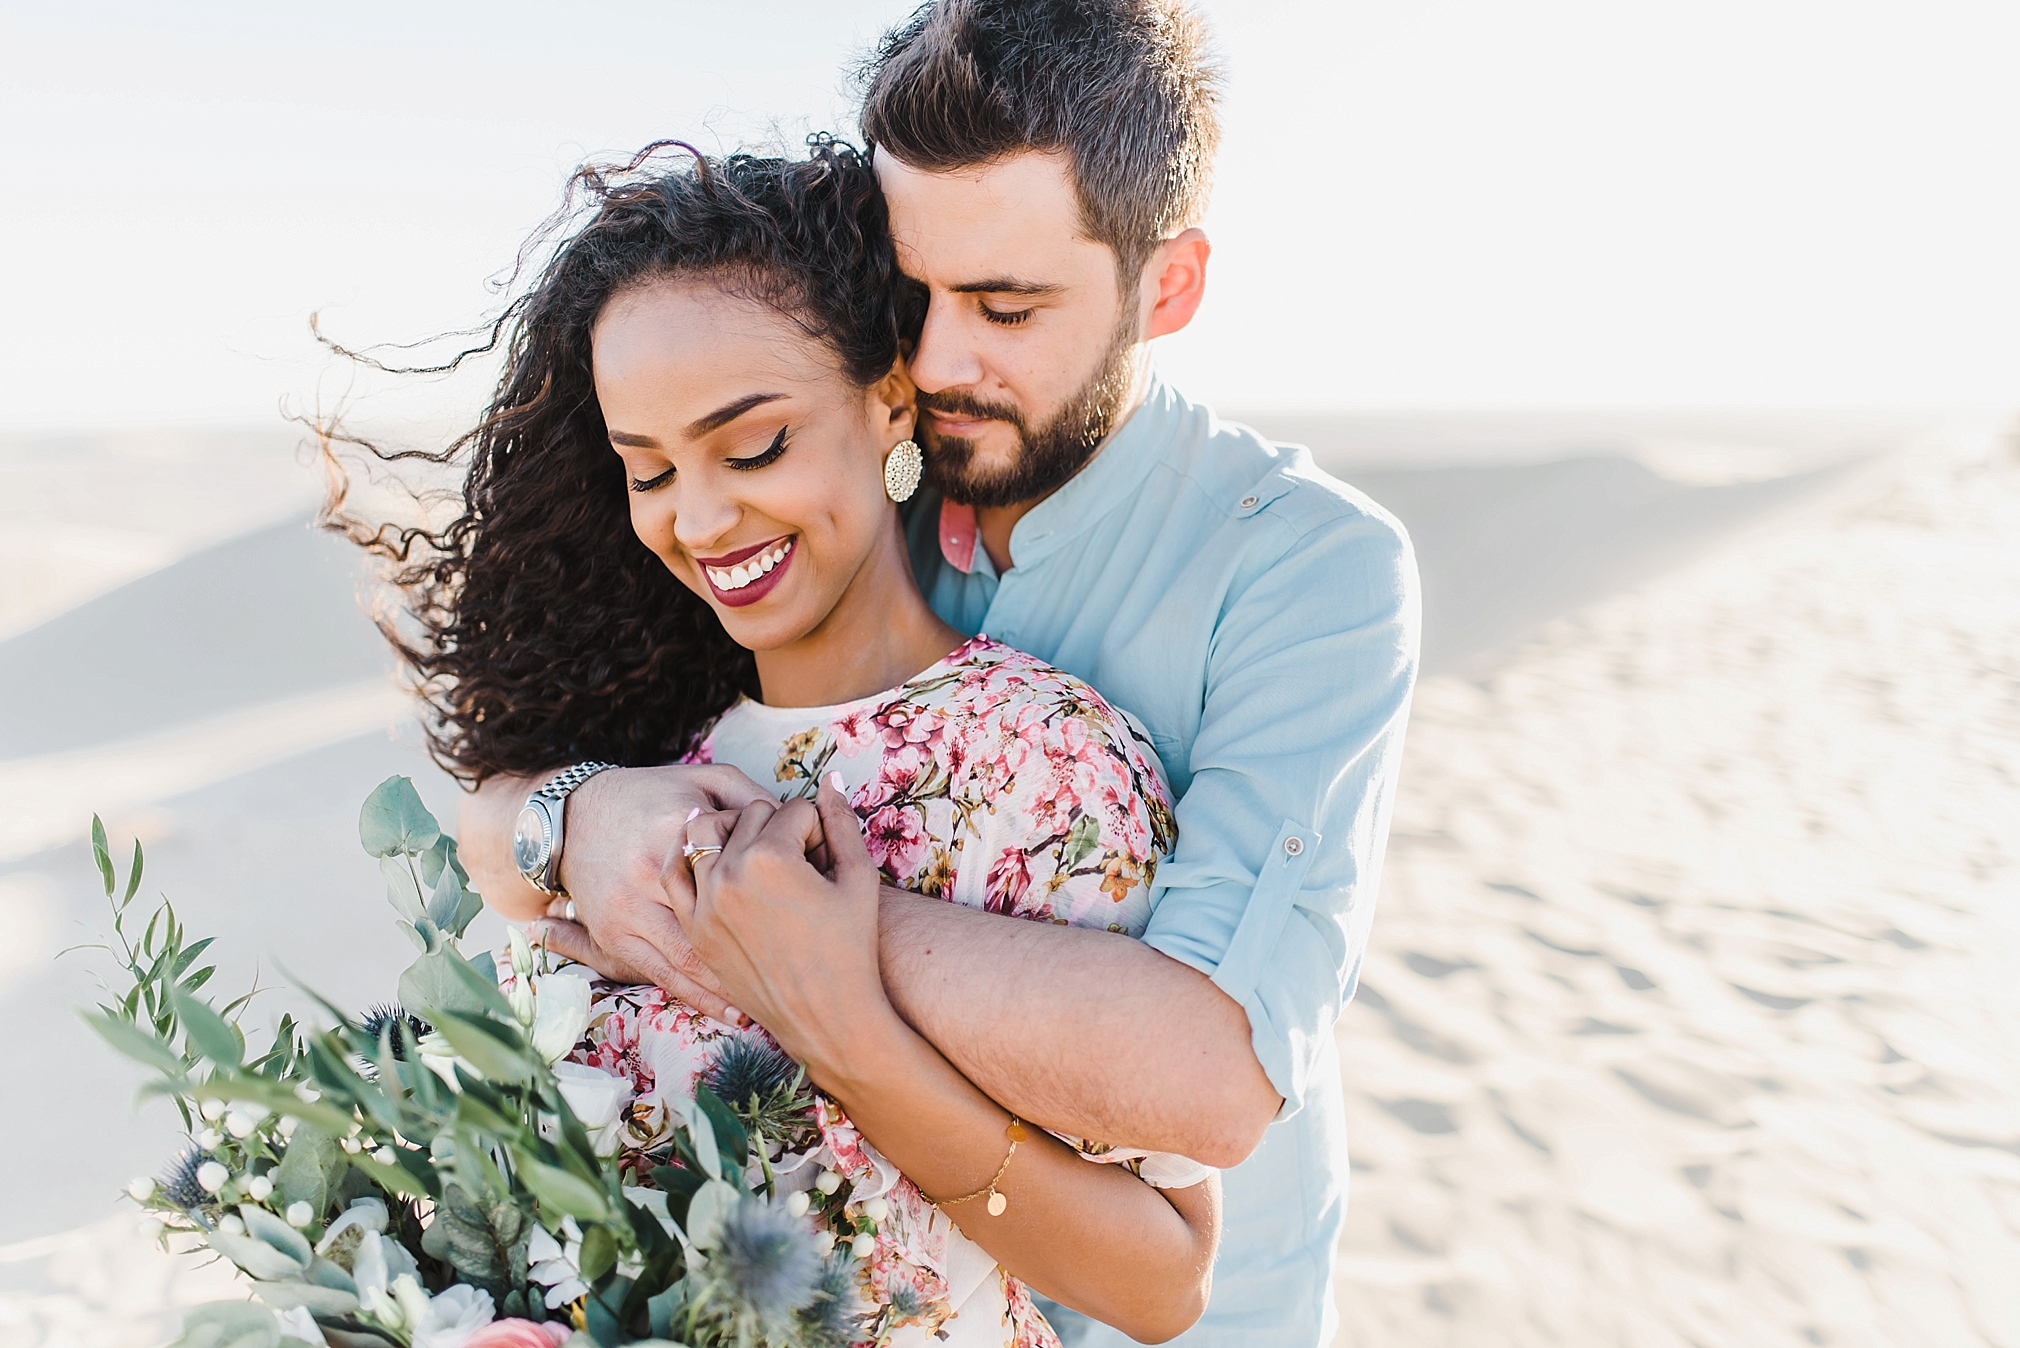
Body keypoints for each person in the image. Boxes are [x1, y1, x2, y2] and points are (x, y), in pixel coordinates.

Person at [459, 2, 1420, 1343]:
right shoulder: (826, 488)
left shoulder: (1307, 568)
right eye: (915, 293)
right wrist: (581, 818)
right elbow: (495, 820)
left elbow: (1209, 1076)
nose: (941, 356)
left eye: (1009, 306)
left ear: (1170, 287)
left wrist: (763, 923)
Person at [326, 140, 1221, 1346]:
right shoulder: (641, 769)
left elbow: (1164, 1282)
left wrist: (843, 1031)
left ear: (890, 403)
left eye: (753, 448)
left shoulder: (1042, 767)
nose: (697, 519)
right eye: (648, 471)